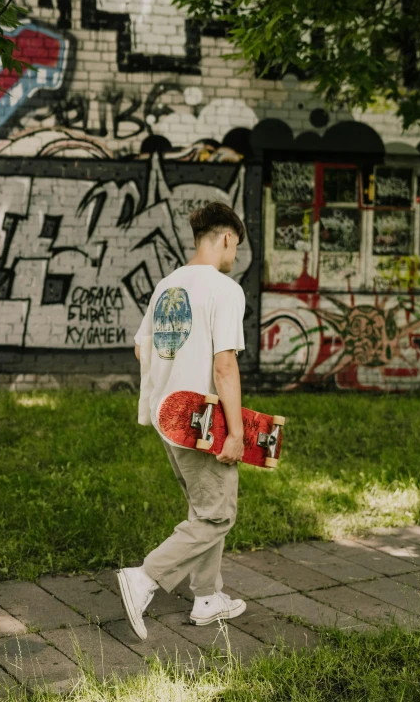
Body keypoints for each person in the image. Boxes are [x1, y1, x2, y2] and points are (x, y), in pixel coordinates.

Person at [117, 201, 247, 640]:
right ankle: (144, 578)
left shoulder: (166, 285)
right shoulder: (224, 289)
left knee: (203, 507)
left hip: (168, 415)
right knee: (216, 516)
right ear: (227, 238)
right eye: (236, 247)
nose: (234, 256)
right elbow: (225, 364)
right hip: (204, 419)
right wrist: (238, 432)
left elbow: (142, 348)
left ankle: (208, 597)